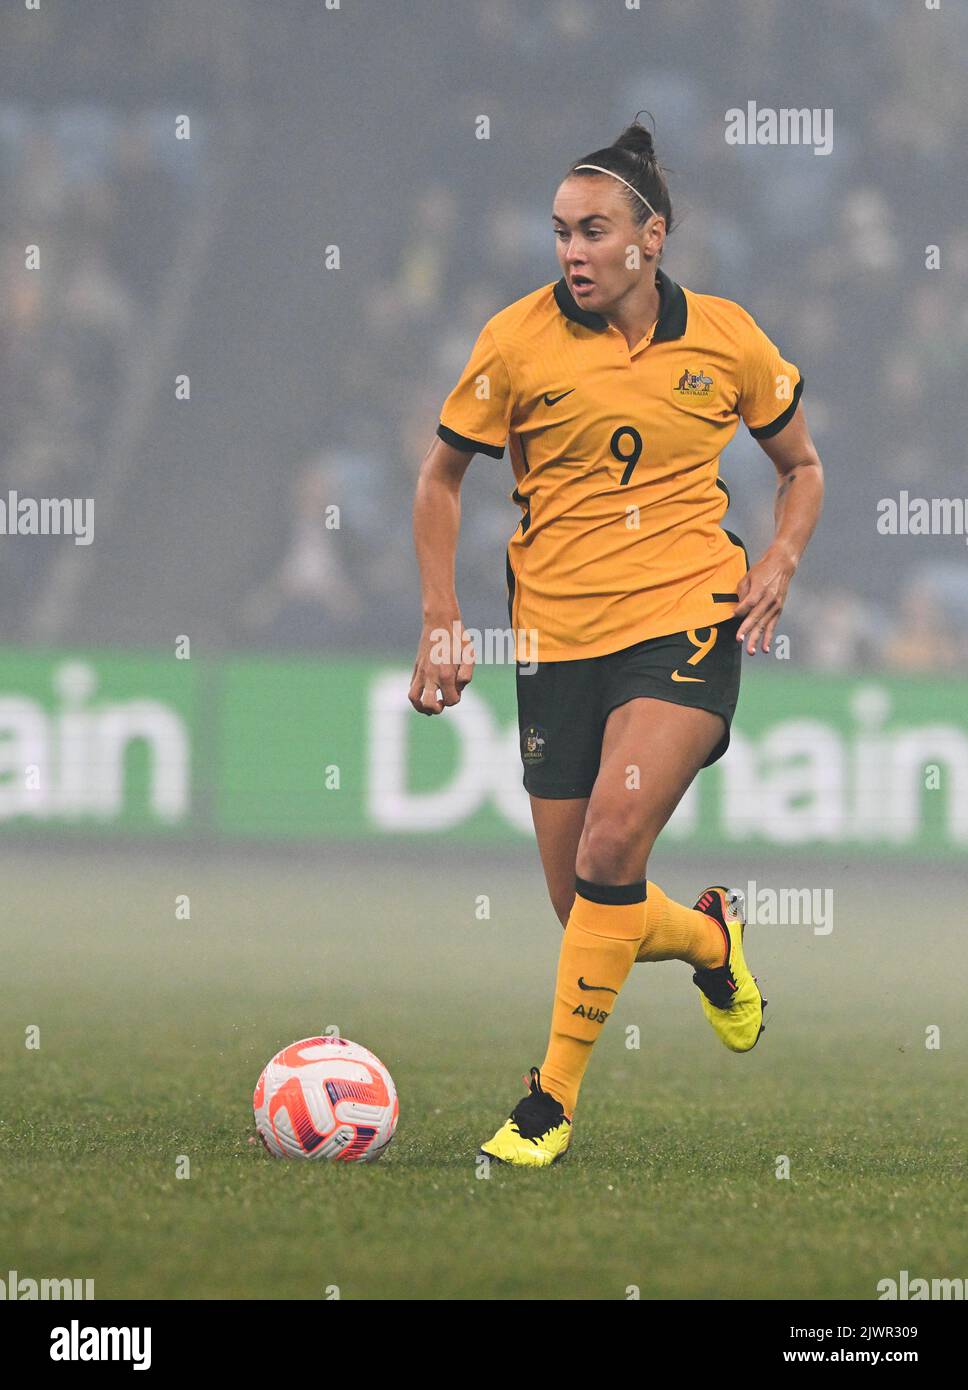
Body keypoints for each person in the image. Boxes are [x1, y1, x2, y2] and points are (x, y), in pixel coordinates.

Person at [410, 120, 824, 1167]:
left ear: (653, 236)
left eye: (592, 232)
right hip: (553, 638)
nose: (571, 253)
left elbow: (800, 467)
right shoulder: (514, 342)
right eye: (558, 234)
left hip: (686, 617)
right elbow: (439, 478)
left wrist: (775, 559)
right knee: (587, 904)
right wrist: (441, 618)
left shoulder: (726, 338)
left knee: (607, 848)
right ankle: (709, 940)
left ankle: (546, 1102)